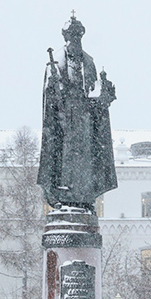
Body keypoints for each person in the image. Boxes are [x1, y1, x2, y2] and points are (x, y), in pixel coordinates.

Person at [38, 15, 117, 212]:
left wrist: (104, 97)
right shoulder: (56, 61)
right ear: (65, 38)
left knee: (85, 162)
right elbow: (51, 99)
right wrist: (53, 88)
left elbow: (95, 95)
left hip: (85, 122)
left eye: (78, 36)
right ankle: (63, 195)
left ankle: (83, 198)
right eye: (71, 36)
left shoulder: (89, 62)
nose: (75, 40)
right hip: (64, 124)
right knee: (63, 159)